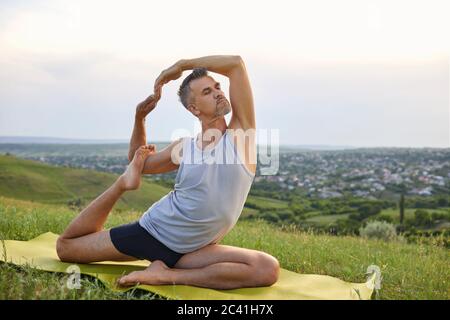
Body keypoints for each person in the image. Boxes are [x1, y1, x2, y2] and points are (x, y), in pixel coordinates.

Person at [56, 55, 280, 290]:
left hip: (191, 252)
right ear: (194, 108)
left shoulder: (240, 136)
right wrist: (139, 119)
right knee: (66, 248)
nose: (218, 92)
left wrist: (182, 65)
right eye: (207, 92)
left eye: (217, 86)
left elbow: (236, 65)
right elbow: (138, 161)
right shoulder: (185, 147)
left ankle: (163, 274)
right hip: (151, 232)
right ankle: (122, 185)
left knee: (266, 268)